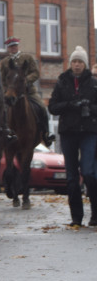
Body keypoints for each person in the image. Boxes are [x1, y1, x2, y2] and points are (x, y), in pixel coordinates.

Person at [47, 46, 97, 228]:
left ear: (84, 64)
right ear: (70, 64)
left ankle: (95, 214)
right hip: (68, 132)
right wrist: (71, 104)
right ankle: (76, 217)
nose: (77, 65)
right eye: (74, 62)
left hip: (88, 132)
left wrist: (88, 107)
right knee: (71, 177)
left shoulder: (93, 83)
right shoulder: (62, 82)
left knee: (90, 172)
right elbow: (52, 107)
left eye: (80, 62)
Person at [0, 37, 56, 147]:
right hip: (11, 93)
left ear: (17, 46)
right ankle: (3, 133)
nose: (13, 48)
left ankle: (46, 134)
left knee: (41, 107)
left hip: (29, 91)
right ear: (8, 48)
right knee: (1, 110)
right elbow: (2, 78)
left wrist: (26, 81)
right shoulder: (5, 62)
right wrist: (7, 90)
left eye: (15, 46)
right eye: (11, 47)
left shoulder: (27, 58)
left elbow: (35, 73)